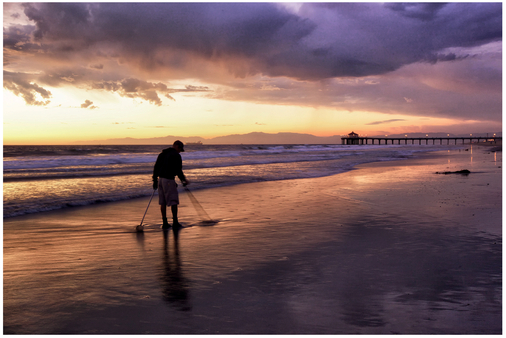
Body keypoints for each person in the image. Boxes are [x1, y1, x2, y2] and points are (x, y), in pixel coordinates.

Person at [152, 140, 189, 229]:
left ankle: (165, 223)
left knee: (163, 202)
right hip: (168, 180)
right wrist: (183, 180)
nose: (180, 151)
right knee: (173, 201)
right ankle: (175, 222)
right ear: (177, 146)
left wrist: (155, 181)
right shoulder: (176, 155)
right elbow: (178, 170)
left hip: (160, 180)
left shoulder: (162, 154)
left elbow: (156, 167)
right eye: (180, 149)